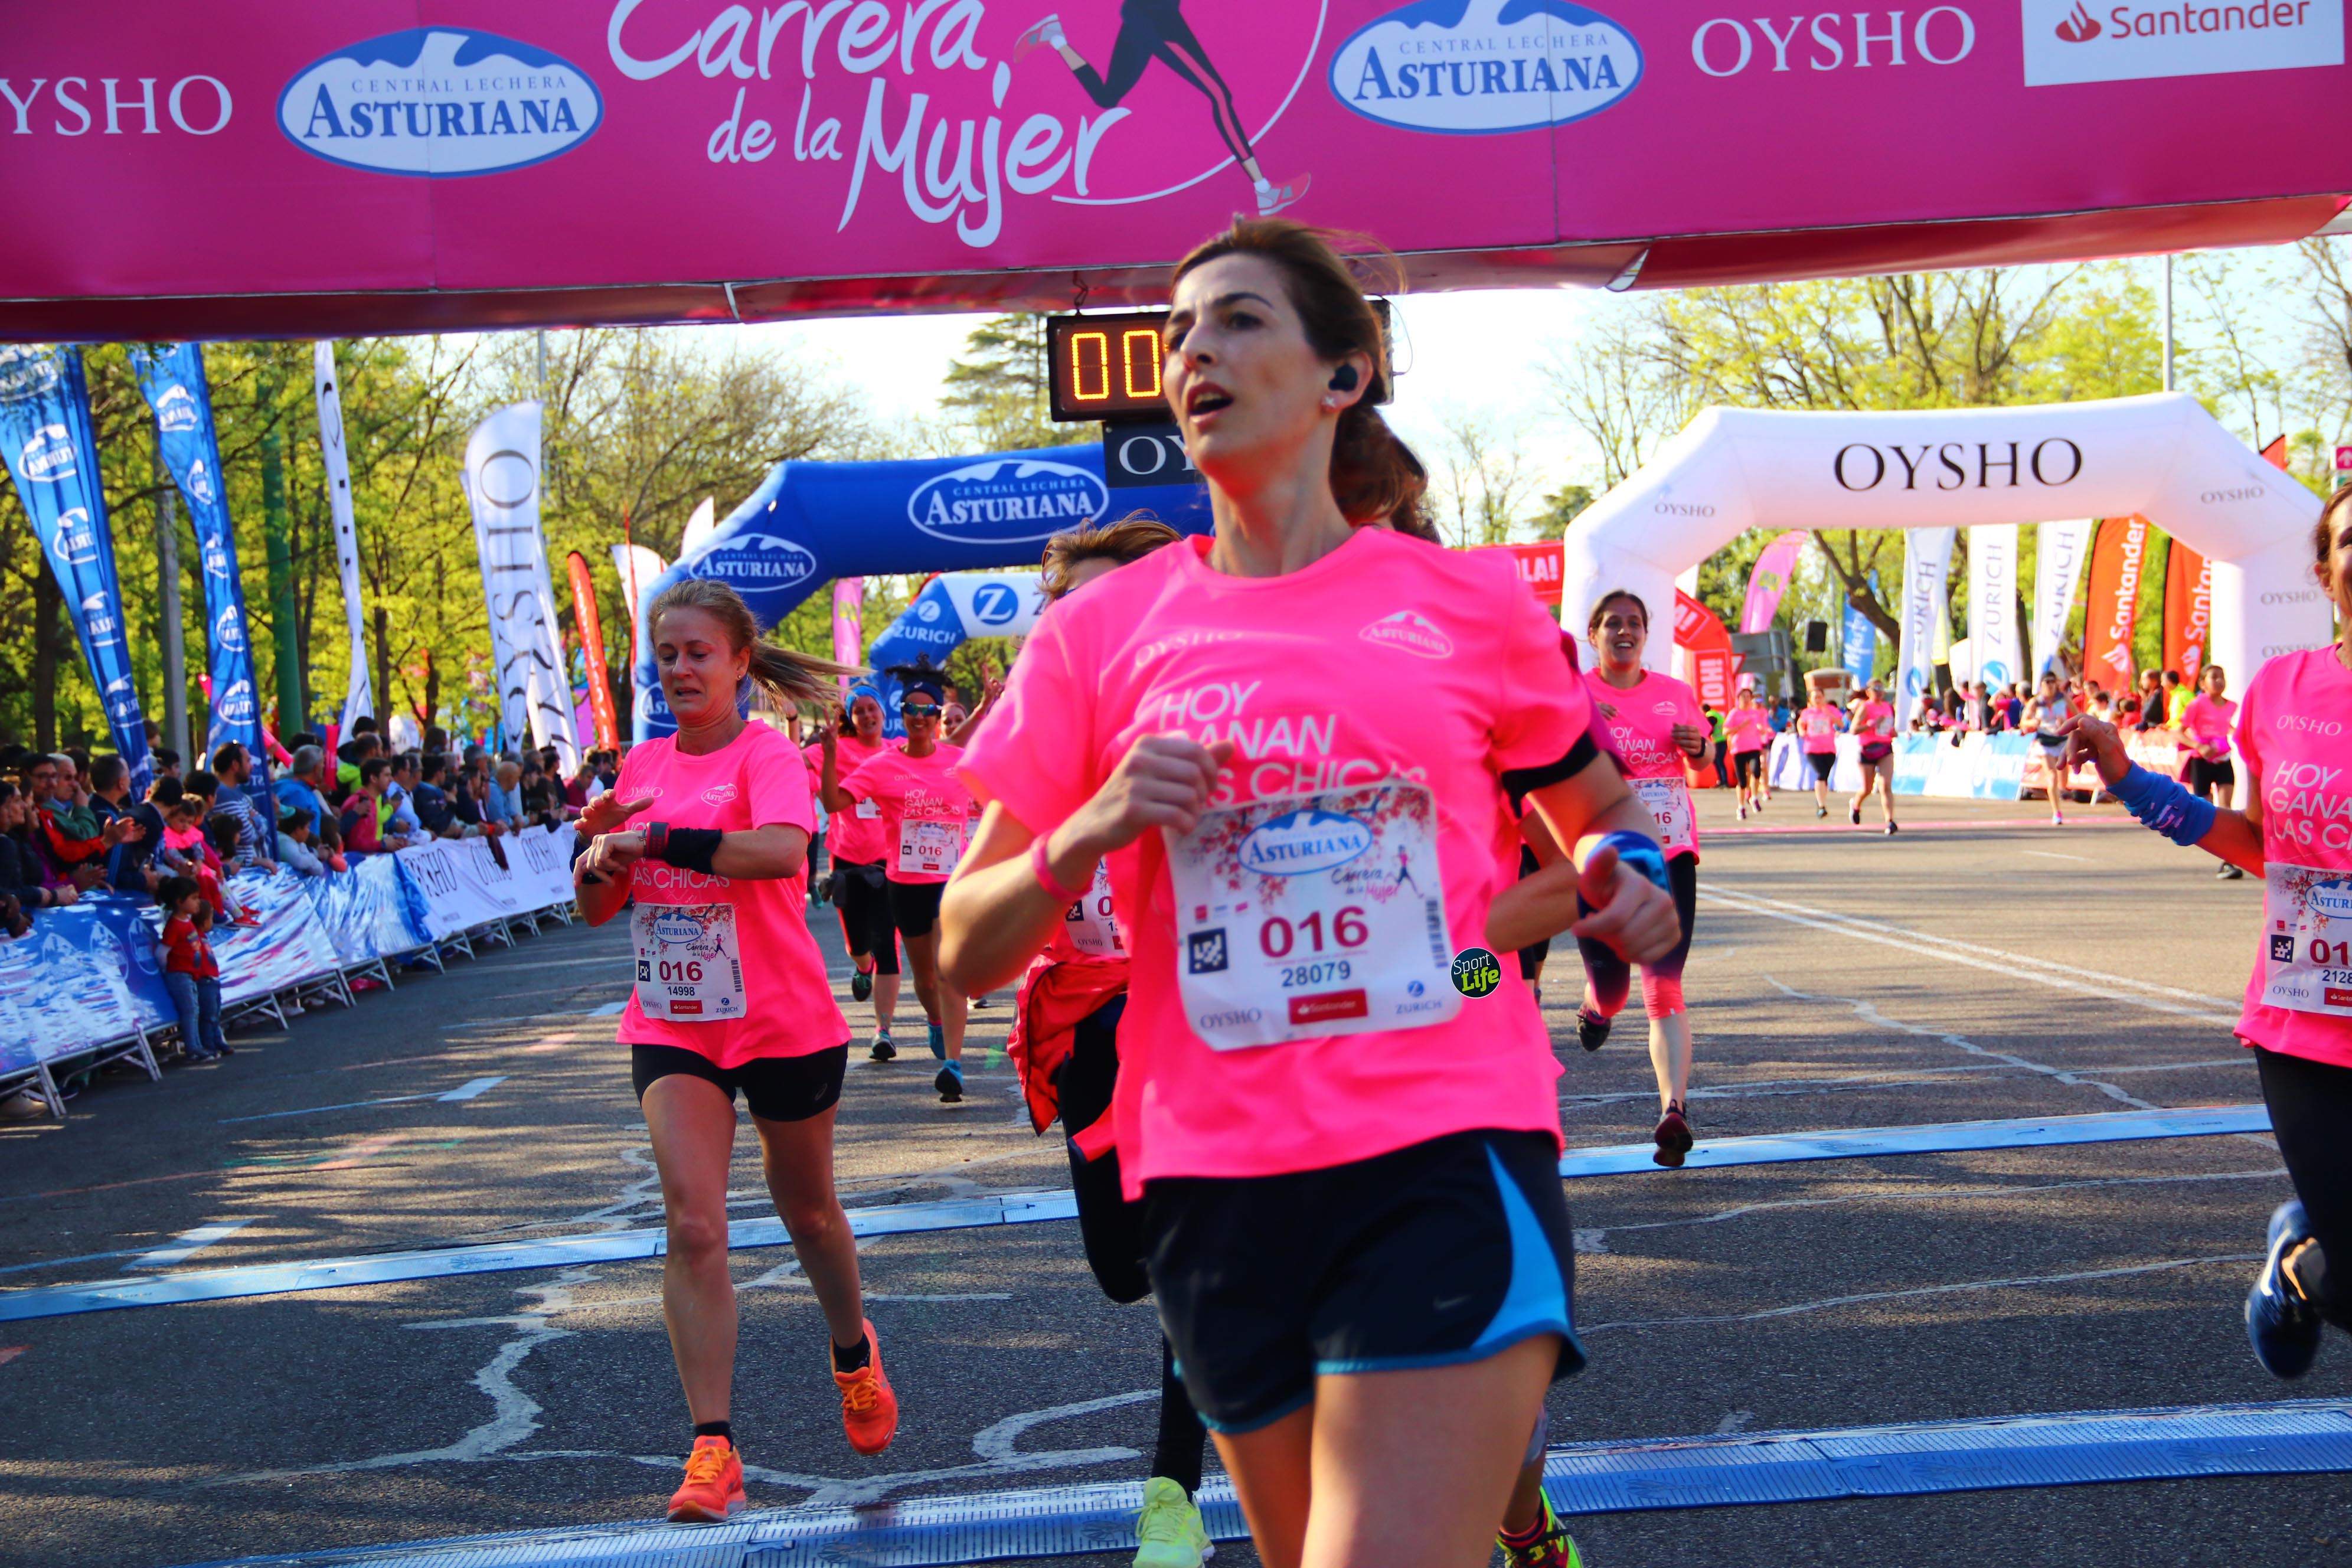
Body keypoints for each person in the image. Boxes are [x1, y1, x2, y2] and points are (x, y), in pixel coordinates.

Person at [939, 218, 1678, 1568]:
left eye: (1236, 319)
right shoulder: (1100, 634)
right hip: (1215, 1181)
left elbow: (1603, 819)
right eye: (1179, 332)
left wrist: (1625, 884)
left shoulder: (1466, 605)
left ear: (1344, 375)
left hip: (1443, 1143)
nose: (1195, 351)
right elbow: (961, 949)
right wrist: (1093, 824)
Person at [571, 576, 895, 1523]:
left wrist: (657, 838)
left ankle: (853, 1355)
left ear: (739, 662)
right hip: (675, 1022)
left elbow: (781, 853)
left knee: (808, 1212)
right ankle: (713, 1447)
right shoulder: (637, 767)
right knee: (695, 1224)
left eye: (697, 653)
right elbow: (597, 909)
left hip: (782, 1018)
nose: (679, 669)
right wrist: (597, 857)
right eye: (666, 654)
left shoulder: (767, 755)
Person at [2058, 487, 2352, 1383]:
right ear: (2324, 572)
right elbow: (2263, 846)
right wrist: (2130, 778)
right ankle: (2304, 1270)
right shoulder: (2282, 689)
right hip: (2309, 1023)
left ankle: (2309, 1258)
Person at [999, 514, 1219, 1568]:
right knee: (1125, 1272)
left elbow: (1478, 924)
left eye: (1112, 599)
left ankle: (1170, 1498)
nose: (1087, 624)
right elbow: (968, 937)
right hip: (1087, 1017)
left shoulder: (1244, 708)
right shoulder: (1035, 736)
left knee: (1190, 1263)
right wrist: (1076, 831)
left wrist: (1475, 984)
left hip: (1216, 1031)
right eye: (1068, 605)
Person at [1577, 589, 1714, 1167]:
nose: (1624, 631)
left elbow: (1706, 766)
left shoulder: (1675, 695)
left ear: (1646, 634)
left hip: (1670, 852)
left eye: (1634, 623)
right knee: (1615, 988)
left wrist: (1700, 748)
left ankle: (1673, 1110)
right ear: (1595, 635)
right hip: (1598, 853)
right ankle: (1599, 1005)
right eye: (1613, 623)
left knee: (1665, 981)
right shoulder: (1576, 691)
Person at [822, 672, 978, 1103]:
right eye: (912, 709)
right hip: (904, 883)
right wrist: (832, 753)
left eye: (929, 710)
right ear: (904, 716)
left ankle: (953, 1064)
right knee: (925, 979)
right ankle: (936, 1023)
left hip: (951, 881)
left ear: (936, 717)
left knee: (947, 972)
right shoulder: (883, 766)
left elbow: (997, 782)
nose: (921, 716)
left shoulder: (956, 761)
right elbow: (835, 803)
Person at [1012, 4, 1308, 217]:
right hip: (1157, 19)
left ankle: (1055, 38)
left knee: (1107, 96)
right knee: (1219, 95)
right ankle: (1264, 190)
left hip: (1143, 15)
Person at [808, 687, 904, 1061]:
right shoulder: (836, 748)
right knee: (858, 946)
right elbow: (795, 762)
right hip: (847, 862)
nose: (867, 715)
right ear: (852, 718)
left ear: (882, 712)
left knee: (888, 946)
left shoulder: (898, 751)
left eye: (872, 708)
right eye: (859, 711)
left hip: (889, 862)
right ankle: (862, 966)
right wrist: (793, 723)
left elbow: (944, 751)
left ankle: (883, 1031)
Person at [2180, 663, 2243, 881]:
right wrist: (2199, 746)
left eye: (2222, 677)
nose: (2218, 681)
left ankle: (2228, 860)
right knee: (2206, 812)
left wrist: (2240, 735)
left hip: (2223, 760)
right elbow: (2178, 733)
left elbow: (2227, 728)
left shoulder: (2232, 706)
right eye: (2213, 677)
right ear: (2202, 683)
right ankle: (2220, 852)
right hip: (2202, 762)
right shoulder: (2197, 705)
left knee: (2226, 809)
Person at [158, 874, 230, 1061]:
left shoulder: (187, 923)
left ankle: (198, 1045)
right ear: (179, 902)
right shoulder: (174, 925)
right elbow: (162, 952)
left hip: (190, 975)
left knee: (195, 1010)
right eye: (193, 898)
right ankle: (193, 1047)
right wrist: (169, 970)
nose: (197, 902)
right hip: (179, 975)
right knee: (190, 1010)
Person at [210, 743, 277, 872]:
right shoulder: (223, 795)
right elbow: (248, 835)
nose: (251, 766)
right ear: (235, 765)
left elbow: (264, 822)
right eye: (248, 761)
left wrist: (254, 821)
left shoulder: (236, 793)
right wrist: (254, 821)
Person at [2024, 671, 2077, 826]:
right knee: (2052, 776)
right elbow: (2024, 722)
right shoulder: (2036, 702)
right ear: (2041, 685)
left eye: (2052, 682)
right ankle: (2057, 812)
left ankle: (2061, 793)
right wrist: (2034, 722)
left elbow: (2077, 716)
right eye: (2047, 682)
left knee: (2064, 780)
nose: (2050, 685)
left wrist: (2066, 722)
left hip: (2062, 739)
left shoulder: (2063, 698)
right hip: (2045, 741)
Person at [1847, 679, 1899, 834]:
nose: (1878, 692)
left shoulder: (1888, 707)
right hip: (1867, 750)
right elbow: (1853, 729)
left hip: (1885, 748)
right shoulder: (1865, 707)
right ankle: (1856, 805)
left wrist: (1892, 732)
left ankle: (1890, 821)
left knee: (1885, 785)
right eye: (1875, 689)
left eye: (1881, 689)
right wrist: (1870, 725)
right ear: (1868, 692)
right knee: (1867, 789)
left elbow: (1890, 728)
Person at [1724, 682, 1773, 821]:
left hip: (1754, 747)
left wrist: (1764, 729)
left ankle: (1754, 797)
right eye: (1743, 697)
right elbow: (1726, 731)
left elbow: (1762, 726)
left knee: (1756, 771)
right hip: (1738, 749)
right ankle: (1741, 807)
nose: (1746, 699)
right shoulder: (1734, 713)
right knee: (1742, 781)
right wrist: (1740, 726)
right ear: (1738, 699)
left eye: (1748, 697)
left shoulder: (1755, 713)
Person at [1796, 684, 1843, 819]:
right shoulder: (1807, 712)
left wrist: (1829, 715)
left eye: (1820, 697)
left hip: (1829, 748)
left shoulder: (1831, 710)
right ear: (1810, 700)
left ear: (1824, 698)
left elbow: (1841, 724)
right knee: (1821, 774)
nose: (1818, 700)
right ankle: (1822, 806)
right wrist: (1802, 731)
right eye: (1815, 697)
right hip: (1812, 748)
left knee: (1825, 778)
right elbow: (1800, 723)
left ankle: (1820, 800)